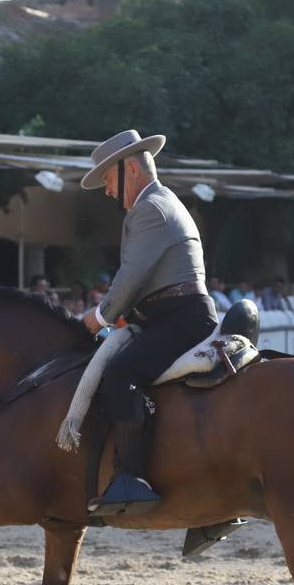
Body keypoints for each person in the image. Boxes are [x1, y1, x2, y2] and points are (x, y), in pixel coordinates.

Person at [77, 129, 218, 517]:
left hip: (180, 318)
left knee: (121, 373)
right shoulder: (158, 203)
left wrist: (96, 318)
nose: (107, 191)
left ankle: (131, 478)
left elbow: (131, 275)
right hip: (171, 314)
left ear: (132, 169)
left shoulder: (149, 208)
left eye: (108, 180)